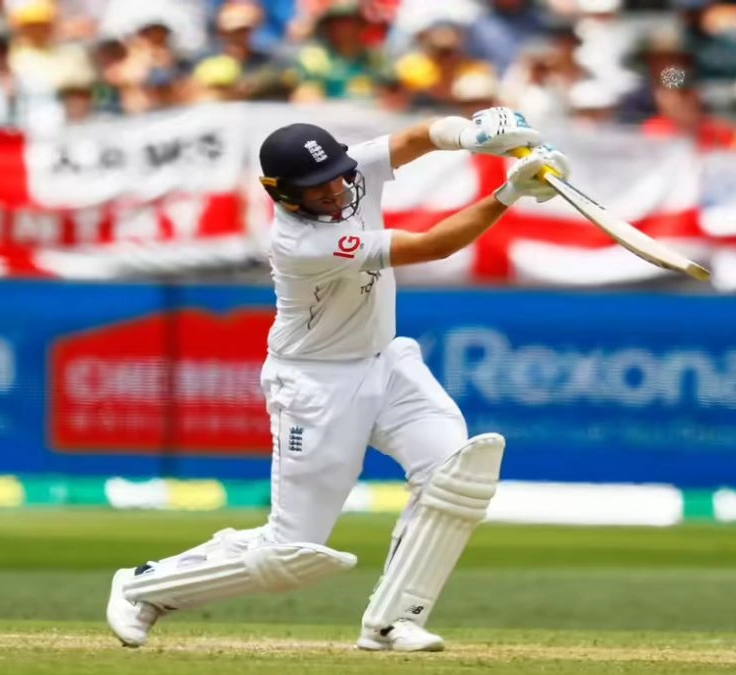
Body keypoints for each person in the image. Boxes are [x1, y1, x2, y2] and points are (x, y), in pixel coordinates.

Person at [106, 108, 570, 653]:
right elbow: (433, 247)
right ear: (283, 195)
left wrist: (475, 136)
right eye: (316, 187)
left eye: (336, 177)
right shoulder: (301, 243)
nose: (333, 192)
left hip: (386, 362)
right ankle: (143, 587)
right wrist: (510, 192)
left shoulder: (348, 174)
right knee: (290, 552)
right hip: (315, 384)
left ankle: (393, 621)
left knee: (453, 476)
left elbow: (420, 136)